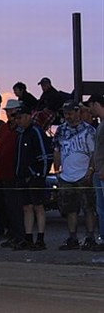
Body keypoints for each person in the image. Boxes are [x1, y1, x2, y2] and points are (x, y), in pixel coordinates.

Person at [53, 100, 98, 251]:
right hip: (66, 176)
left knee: (88, 208)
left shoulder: (89, 130)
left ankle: (90, 236)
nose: (68, 116)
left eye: (71, 113)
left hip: (84, 175)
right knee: (70, 209)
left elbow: (94, 153)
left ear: (78, 112)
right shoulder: (61, 130)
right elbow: (57, 150)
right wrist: (57, 169)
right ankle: (73, 237)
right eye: (66, 114)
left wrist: (90, 171)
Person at [13, 104, 53, 251]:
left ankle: (41, 239)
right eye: (16, 118)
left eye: (20, 117)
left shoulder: (36, 132)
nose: (18, 121)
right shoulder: (21, 134)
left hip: (35, 177)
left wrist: (38, 174)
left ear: (29, 116)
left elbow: (45, 155)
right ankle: (28, 237)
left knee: (38, 207)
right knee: (26, 207)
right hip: (22, 177)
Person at [0, 99, 27, 250]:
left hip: (16, 173)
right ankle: (13, 235)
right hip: (5, 173)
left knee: (17, 207)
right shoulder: (4, 128)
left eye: (12, 111)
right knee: (9, 207)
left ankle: (20, 237)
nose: (10, 114)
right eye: (8, 111)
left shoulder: (21, 129)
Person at [85, 94, 104, 251]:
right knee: (100, 208)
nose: (89, 110)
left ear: (97, 104)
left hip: (102, 172)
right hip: (98, 172)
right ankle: (103, 238)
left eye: (90, 105)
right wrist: (93, 169)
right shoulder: (100, 124)